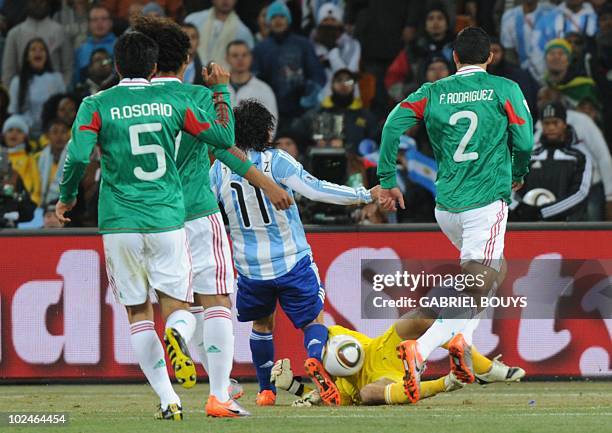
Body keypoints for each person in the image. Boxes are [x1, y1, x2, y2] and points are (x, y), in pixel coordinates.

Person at [56, 31, 236, 421]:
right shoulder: (171, 101)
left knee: (138, 314)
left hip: (119, 223)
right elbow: (223, 137)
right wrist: (221, 91)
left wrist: (67, 195)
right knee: (180, 307)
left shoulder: (96, 104)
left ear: (117, 66)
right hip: (168, 219)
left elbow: (79, 155)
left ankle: (168, 399)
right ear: (153, 67)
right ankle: (179, 335)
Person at [133, 15, 292, 418]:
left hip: (145, 219)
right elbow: (223, 148)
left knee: (177, 305)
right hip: (197, 213)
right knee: (216, 298)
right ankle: (218, 392)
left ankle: (187, 385)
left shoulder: (124, 104)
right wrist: (267, 183)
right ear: (185, 60)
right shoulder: (199, 99)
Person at [377, 27, 534, 403]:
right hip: (484, 202)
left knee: (496, 270)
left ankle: (463, 346)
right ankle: (424, 348)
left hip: (445, 206)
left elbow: (392, 124)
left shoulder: (432, 92)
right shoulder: (504, 88)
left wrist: (386, 178)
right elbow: (525, 140)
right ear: (490, 57)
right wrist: (518, 172)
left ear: (455, 58)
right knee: (480, 280)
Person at [209, 99, 379, 406]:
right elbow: (315, 189)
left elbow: (205, 208)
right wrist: (364, 194)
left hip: (250, 268)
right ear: (267, 130)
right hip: (291, 260)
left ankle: (265, 392)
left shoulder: (219, 168)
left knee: (261, 325)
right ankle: (314, 361)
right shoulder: (275, 161)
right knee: (314, 321)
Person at [271, 316, 525, 406]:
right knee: (370, 394)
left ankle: (483, 368)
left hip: (384, 347)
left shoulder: (335, 334)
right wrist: (293, 387)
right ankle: (449, 381)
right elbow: (328, 399)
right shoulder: (343, 387)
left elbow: (317, 329)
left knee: (416, 318)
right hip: (381, 378)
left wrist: (297, 385)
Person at [535, 87, 612, 221]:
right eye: (541, 99)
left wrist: (610, 196)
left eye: (548, 97)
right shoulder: (539, 126)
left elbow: (603, 156)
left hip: (592, 187)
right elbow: (531, 153)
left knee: (592, 234)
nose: (545, 102)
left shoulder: (582, 121)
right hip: (560, 189)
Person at [251, 1, 326, 130]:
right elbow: (254, 78)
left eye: (282, 16)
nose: (278, 21)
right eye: (274, 17)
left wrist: (309, 95)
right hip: (270, 110)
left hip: (300, 112)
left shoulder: (304, 45)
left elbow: (318, 75)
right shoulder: (260, 49)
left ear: (288, 19)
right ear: (268, 21)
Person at [512, 102, 591, 221]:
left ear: (564, 124)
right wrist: (520, 209)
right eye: (546, 123)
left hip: (566, 227)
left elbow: (580, 193)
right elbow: (511, 186)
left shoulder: (579, 157)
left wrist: (543, 212)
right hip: (529, 226)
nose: (551, 127)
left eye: (555, 122)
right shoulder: (530, 156)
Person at [291, 68, 378, 153]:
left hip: (356, 164)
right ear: (332, 85)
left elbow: (377, 143)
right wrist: (312, 144)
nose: (343, 84)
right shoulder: (317, 113)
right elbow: (295, 135)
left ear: (354, 86)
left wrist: (346, 145)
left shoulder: (365, 116)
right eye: (339, 80)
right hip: (319, 162)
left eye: (348, 81)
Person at [2, 0, 73, 86]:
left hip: (54, 93)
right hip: (22, 93)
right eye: (34, 1)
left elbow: (68, 69)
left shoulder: (60, 32)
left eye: (41, 1)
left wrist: (60, 91)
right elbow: (8, 72)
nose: (38, 3)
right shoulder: (14, 34)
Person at [8, 38, 66, 139]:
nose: (37, 52)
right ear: (27, 56)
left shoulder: (57, 79)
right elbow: (13, 112)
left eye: (42, 49)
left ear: (46, 56)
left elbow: (63, 108)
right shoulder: (17, 81)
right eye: (33, 49)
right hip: (25, 134)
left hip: (52, 134)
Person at [500, 0, 560, 84]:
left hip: (551, 71)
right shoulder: (509, 17)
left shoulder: (552, 12)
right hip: (523, 72)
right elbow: (509, 51)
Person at [184, 0, 254, 69]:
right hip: (190, 75)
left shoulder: (243, 32)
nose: (225, 0)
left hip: (225, 78)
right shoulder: (193, 20)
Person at [226, 40, 278, 125]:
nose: (240, 59)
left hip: (253, 138)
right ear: (227, 58)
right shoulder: (217, 88)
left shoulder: (264, 90)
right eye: (235, 55)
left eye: (244, 55)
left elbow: (272, 124)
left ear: (251, 57)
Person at [311, 3, 360, 91]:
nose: (329, 23)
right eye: (325, 20)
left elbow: (349, 77)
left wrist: (333, 52)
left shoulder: (352, 45)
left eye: (333, 20)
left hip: (346, 95)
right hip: (320, 97)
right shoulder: (312, 45)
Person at [489, 38, 540, 118]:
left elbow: (526, 103)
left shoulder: (517, 75)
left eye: (495, 51)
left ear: (503, 52)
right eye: (488, 52)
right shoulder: (480, 76)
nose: (492, 55)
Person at [544, 38, 600, 110]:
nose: (556, 57)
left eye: (561, 54)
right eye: (552, 53)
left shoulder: (584, 86)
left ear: (569, 60)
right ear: (545, 59)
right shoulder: (542, 85)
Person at [1, 114, 40, 204]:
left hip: (23, 202)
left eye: (19, 131)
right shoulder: (2, 155)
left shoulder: (29, 158)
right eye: (10, 130)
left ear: (25, 137)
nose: (14, 134)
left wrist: (34, 203)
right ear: (3, 135)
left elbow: (36, 184)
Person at [73, 5, 116, 85]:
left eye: (104, 19)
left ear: (110, 23)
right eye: (95, 20)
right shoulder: (81, 49)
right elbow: (77, 79)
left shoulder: (120, 46)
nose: (99, 23)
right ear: (89, 24)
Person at [35, 118, 69, 206]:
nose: (59, 136)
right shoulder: (38, 158)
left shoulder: (75, 158)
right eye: (55, 132)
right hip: (41, 204)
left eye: (63, 132)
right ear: (47, 136)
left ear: (69, 135)